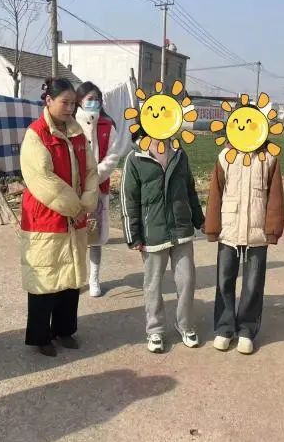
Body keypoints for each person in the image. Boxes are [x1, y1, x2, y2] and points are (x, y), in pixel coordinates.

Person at [20, 77, 98, 357]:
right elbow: (42, 179)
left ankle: (65, 330)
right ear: (48, 101)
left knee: (71, 275)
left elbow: (91, 170)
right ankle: (40, 336)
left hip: (74, 214)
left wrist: (88, 199)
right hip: (46, 216)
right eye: (64, 102)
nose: (69, 108)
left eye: (73, 103)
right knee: (45, 277)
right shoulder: (36, 134)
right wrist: (76, 206)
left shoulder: (77, 133)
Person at [120, 134, 204, 354]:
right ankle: (155, 330)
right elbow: (128, 199)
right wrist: (133, 235)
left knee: (187, 280)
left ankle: (185, 325)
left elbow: (190, 190)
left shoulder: (179, 154)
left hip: (181, 230)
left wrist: (199, 220)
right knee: (153, 284)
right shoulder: (135, 158)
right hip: (152, 234)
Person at [204, 139, 284, 354]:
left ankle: (247, 330)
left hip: (257, 234)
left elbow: (275, 196)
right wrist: (212, 227)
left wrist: (272, 229)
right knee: (224, 280)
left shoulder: (269, 158)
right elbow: (215, 193)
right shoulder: (225, 157)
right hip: (229, 231)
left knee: (253, 283)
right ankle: (224, 328)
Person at [75, 81, 121, 298]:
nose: (94, 102)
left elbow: (113, 156)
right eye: (89, 99)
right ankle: (77, 278)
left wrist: (95, 177)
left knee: (95, 237)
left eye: (97, 99)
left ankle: (94, 278)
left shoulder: (107, 126)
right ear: (80, 101)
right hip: (74, 190)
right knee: (76, 236)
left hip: (99, 189)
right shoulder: (71, 124)